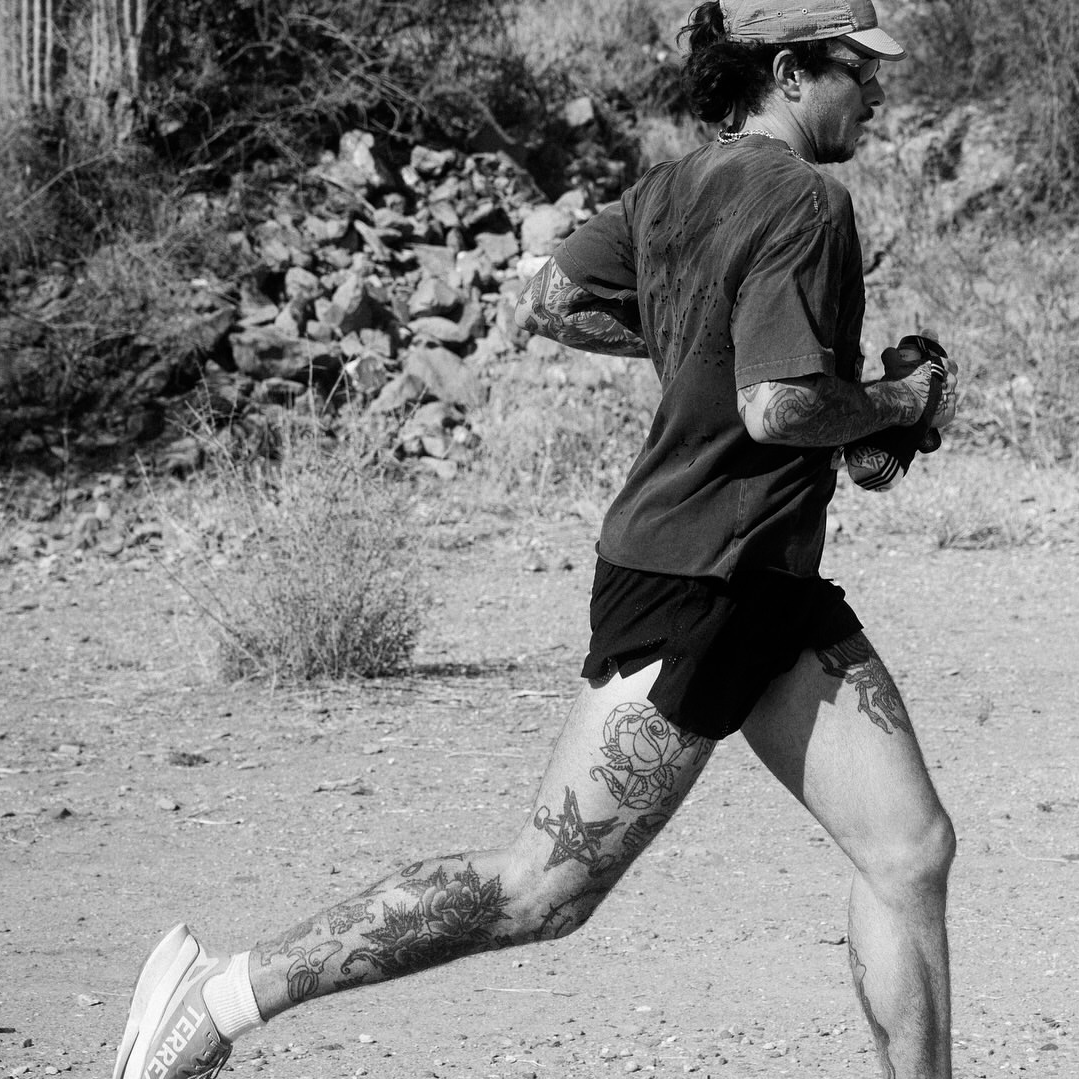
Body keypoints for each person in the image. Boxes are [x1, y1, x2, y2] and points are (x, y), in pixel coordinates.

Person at [112, 2, 959, 1078]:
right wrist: (900, 402)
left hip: (767, 579)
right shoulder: (806, 199)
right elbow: (779, 406)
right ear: (790, 72)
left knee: (909, 849)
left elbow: (553, 296)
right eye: (855, 68)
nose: (874, 89)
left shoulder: (672, 186)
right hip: (701, 583)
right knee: (540, 888)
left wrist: (710, 345)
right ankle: (221, 994)